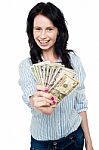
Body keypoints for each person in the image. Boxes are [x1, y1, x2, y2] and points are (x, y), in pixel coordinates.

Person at [18, 2, 93, 150]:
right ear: (31, 31)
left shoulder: (73, 60)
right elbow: (33, 100)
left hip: (74, 138)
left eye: (49, 29)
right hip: (42, 144)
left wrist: (89, 142)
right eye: (38, 29)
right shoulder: (26, 66)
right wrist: (38, 101)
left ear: (58, 31)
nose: (43, 36)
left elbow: (80, 103)